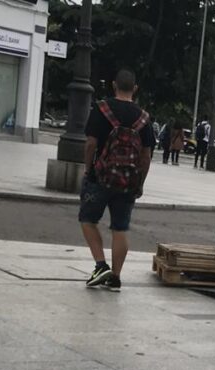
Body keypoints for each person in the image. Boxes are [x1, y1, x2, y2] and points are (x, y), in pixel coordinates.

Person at [79, 68, 155, 291]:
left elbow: (90, 143)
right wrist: (140, 182)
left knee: (87, 219)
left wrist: (88, 169)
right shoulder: (143, 118)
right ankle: (116, 277)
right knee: (120, 228)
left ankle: (101, 265)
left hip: (99, 177)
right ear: (135, 89)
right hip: (128, 182)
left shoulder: (101, 109)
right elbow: (146, 155)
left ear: (114, 85)